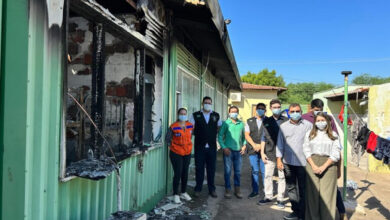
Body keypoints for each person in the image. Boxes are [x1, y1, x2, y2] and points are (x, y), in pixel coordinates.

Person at [302, 99, 347, 220]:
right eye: (318, 121)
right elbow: (306, 150)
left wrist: (323, 166)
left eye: (323, 120)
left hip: (329, 165)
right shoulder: (309, 134)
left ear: (327, 122)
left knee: (327, 196)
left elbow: (335, 153)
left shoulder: (334, 135)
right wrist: (314, 165)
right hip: (312, 163)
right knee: (312, 195)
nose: (320, 123)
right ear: (315, 122)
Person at [276, 103, 313, 220]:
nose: (295, 113)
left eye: (297, 111)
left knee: (303, 188)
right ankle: (295, 212)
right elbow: (280, 144)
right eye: (292, 111)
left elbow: (313, 142)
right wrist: (278, 159)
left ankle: (303, 214)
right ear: (288, 113)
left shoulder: (308, 125)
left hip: (303, 163)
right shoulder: (283, 126)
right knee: (291, 188)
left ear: (301, 112)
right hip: (288, 162)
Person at [190, 96, 222, 198]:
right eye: (206, 102)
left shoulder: (216, 115)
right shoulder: (195, 115)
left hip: (212, 147)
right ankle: (198, 189)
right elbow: (191, 129)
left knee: (211, 169)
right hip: (199, 146)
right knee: (199, 168)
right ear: (202, 103)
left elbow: (219, 127)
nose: (207, 104)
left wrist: (211, 134)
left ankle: (212, 189)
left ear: (211, 104)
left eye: (209, 103)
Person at [259, 99, 288, 208]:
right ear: (270, 108)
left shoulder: (286, 120)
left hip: (283, 153)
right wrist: (262, 153)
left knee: (282, 177)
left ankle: (280, 198)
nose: (277, 109)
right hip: (269, 153)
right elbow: (263, 138)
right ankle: (268, 196)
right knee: (267, 176)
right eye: (274, 107)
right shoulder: (266, 121)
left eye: (278, 107)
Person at [165, 108, 194, 204]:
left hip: (187, 152)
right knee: (178, 173)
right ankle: (175, 194)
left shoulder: (190, 125)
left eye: (185, 114)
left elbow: (191, 136)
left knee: (185, 172)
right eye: (181, 114)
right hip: (176, 153)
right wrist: (173, 147)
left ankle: (183, 192)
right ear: (178, 115)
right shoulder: (173, 126)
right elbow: (167, 139)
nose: (183, 115)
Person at [218, 106, 246, 199]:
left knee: (237, 172)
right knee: (228, 171)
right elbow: (220, 136)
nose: (234, 113)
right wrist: (224, 147)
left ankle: (237, 190)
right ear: (229, 113)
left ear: (238, 113)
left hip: (238, 152)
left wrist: (244, 145)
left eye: (235, 111)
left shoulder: (241, 124)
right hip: (228, 151)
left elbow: (244, 137)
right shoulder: (226, 123)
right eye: (232, 112)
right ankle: (228, 189)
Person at [244, 103, 266, 200]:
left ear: (265, 110)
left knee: (265, 172)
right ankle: (255, 191)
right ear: (255, 110)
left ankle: (267, 192)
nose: (260, 110)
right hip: (252, 149)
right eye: (259, 109)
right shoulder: (249, 121)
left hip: (265, 150)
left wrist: (261, 146)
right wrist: (254, 145)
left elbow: (270, 136)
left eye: (262, 109)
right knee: (255, 171)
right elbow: (247, 135)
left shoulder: (269, 121)